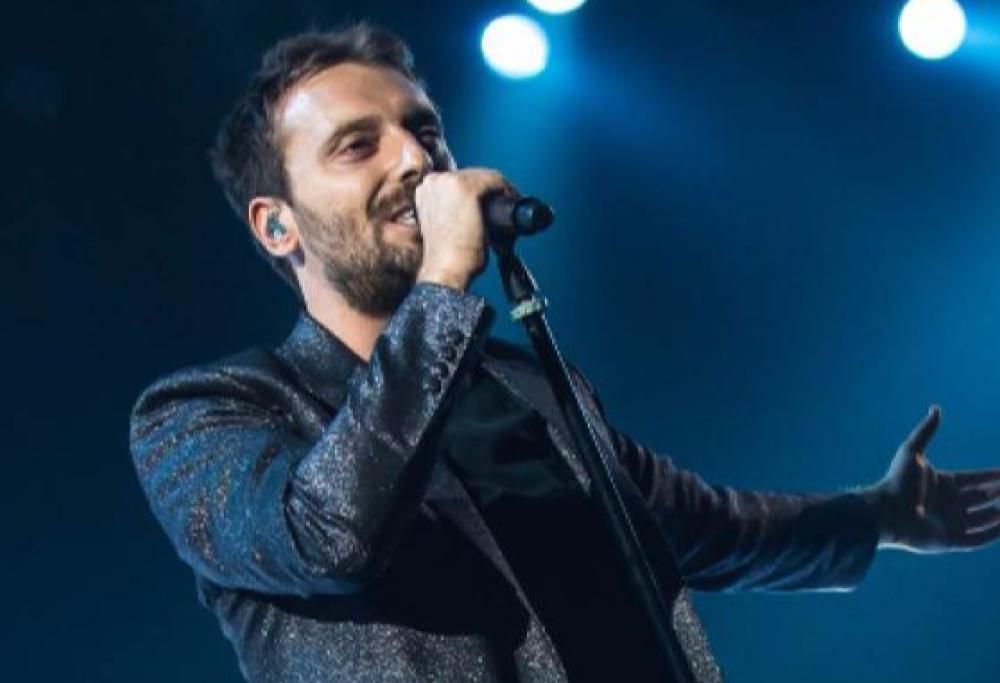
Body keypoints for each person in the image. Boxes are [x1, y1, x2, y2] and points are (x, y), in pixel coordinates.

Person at [129, 23, 1000, 683]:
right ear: (276, 225)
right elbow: (330, 536)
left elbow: (706, 525)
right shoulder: (208, 412)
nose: (418, 160)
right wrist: (443, 281)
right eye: (358, 146)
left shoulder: (529, 384)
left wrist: (879, 517)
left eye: (425, 130)